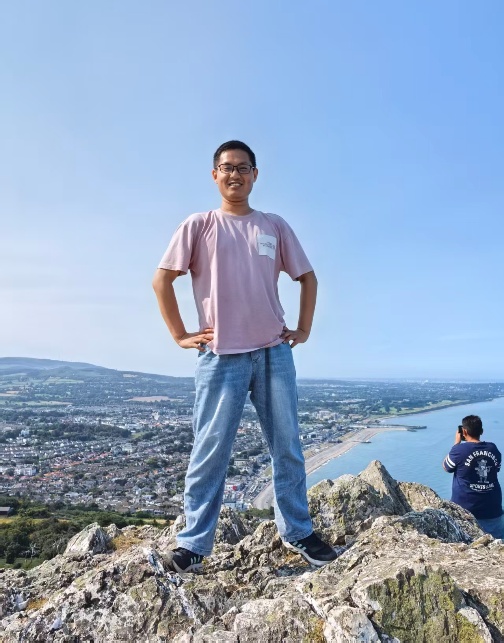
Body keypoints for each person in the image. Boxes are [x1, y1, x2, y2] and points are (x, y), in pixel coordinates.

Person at [152, 140, 338, 572]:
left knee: (287, 446)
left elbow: (308, 278)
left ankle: (298, 532)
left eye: (243, 167)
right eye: (227, 167)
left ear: (255, 174)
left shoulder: (273, 226)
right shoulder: (199, 225)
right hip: (221, 356)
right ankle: (193, 545)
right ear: (214, 175)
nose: (234, 174)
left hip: (274, 352)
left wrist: (304, 329)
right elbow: (162, 280)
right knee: (210, 450)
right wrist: (180, 335)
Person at [443, 414, 503, 538]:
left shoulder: (459, 450)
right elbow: (496, 469)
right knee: (498, 545)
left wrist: (456, 444)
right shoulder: (493, 448)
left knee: (467, 544)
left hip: (465, 511)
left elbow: (446, 467)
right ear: (482, 431)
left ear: (464, 431)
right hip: (492, 508)